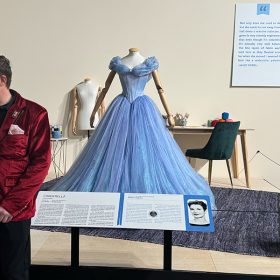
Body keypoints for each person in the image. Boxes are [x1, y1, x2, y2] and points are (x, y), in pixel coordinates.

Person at [49, 48, 216, 211]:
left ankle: (141, 191)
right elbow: (105, 88)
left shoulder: (149, 63)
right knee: (112, 151)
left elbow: (160, 89)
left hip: (140, 108)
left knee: (144, 149)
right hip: (122, 108)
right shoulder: (118, 63)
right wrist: (93, 112)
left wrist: (170, 113)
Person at [0, 55, 51, 280]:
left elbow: (40, 164)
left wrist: (10, 206)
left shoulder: (34, 114)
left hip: (13, 213)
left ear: (2, 80)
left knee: (13, 273)